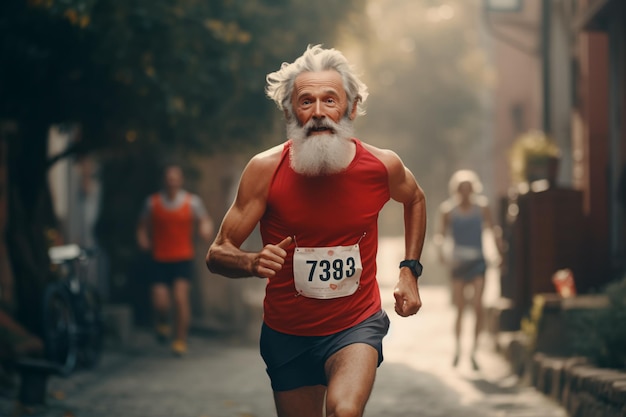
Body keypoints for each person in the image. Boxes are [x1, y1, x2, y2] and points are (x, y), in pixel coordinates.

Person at [205, 45, 427, 417]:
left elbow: (415, 199)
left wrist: (410, 270)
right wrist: (251, 261)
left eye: (330, 100)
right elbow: (218, 252)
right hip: (287, 333)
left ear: (351, 108)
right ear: (290, 112)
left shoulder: (381, 166)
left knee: (345, 411)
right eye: (306, 101)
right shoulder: (265, 171)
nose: (319, 113)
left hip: (355, 325)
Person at [136, 164, 214, 356]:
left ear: (180, 180)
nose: (172, 181)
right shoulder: (152, 202)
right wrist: (143, 239)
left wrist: (205, 229)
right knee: (160, 302)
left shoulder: (192, 202)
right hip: (159, 258)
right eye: (169, 178)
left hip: (182, 258)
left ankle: (180, 340)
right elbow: (142, 226)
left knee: (180, 298)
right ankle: (163, 321)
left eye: (175, 178)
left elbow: (204, 220)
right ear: (165, 180)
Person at [434, 169, 504, 370]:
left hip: (478, 262)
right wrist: (440, 252)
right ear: (456, 190)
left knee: (478, 306)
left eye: (469, 188)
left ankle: (473, 351)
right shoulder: (448, 210)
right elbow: (440, 235)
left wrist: (500, 253)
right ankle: (458, 349)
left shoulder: (482, 208)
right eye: (461, 189)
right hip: (458, 264)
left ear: (474, 189)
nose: (465, 192)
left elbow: (493, 230)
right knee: (460, 309)